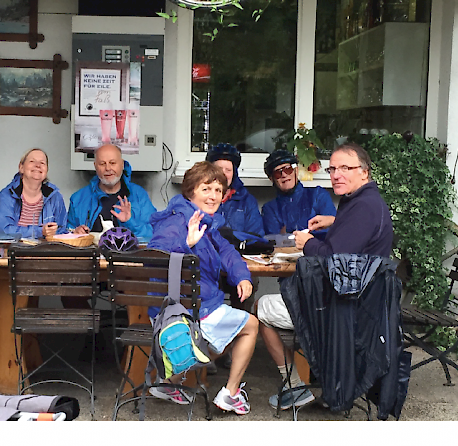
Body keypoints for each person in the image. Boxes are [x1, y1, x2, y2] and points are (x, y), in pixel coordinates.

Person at [249, 143, 393, 410]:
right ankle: (320, 376)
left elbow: (333, 259)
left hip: (340, 310)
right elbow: (353, 241)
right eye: (333, 169)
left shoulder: (362, 207)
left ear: (364, 172)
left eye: (345, 168)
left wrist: (307, 243)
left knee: (261, 308)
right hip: (357, 303)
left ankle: (295, 386)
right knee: (284, 295)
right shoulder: (365, 202)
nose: (336, 174)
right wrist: (334, 221)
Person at [148, 161, 265, 415]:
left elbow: (226, 251)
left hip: (192, 307)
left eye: (218, 190)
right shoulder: (177, 222)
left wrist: (241, 277)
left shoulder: (204, 221)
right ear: (191, 191)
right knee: (250, 325)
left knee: (228, 331)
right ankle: (231, 394)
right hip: (182, 314)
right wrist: (185, 244)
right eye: (206, 189)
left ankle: (169, 383)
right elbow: (156, 259)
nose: (213, 196)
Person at [66, 143, 154, 241]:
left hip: (129, 255)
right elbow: (66, 233)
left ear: (122, 165)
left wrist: (130, 222)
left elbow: (154, 232)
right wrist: (74, 233)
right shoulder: (78, 199)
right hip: (90, 255)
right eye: (102, 164)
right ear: (95, 166)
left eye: (112, 163)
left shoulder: (139, 195)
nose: (108, 168)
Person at [0, 148, 67, 239]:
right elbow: (3, 231)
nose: (38, 165)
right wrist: (40, 231)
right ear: (21, 167)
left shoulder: (55, 197)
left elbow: (62, 230)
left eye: (42, 163)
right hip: (14, 251)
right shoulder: (7, 195)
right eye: (32, 161)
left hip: (45, 251)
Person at [258, 149, 335, 236]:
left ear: (296, 170)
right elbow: (275, 241)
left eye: (288, 169)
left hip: (319, 248)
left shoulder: (318, 195)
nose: (284, 175)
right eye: (277, 173)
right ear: (272, 179)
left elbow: (333, 230)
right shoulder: (270, 209)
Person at [205, 143, 268, 238]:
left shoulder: (247, 201)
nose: (223, 174)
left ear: (234, 173)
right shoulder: (200, 198)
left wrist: (231, 236)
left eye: (228, 170)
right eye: (218, 169)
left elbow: (256, 237)